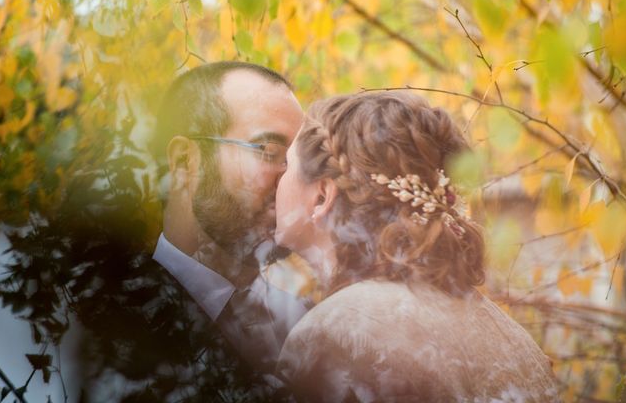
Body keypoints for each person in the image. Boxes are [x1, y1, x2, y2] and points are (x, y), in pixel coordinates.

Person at [274, 91, 561, 402]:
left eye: (286, 165)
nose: (276, 179)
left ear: (321, 197)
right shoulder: (508, 333)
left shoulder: (336, 335)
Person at [150, 61, 310, 373]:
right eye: (269, 152)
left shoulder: (311, 323)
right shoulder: (103, 320)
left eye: (297, 162)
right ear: (185, 163)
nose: (294, 181)